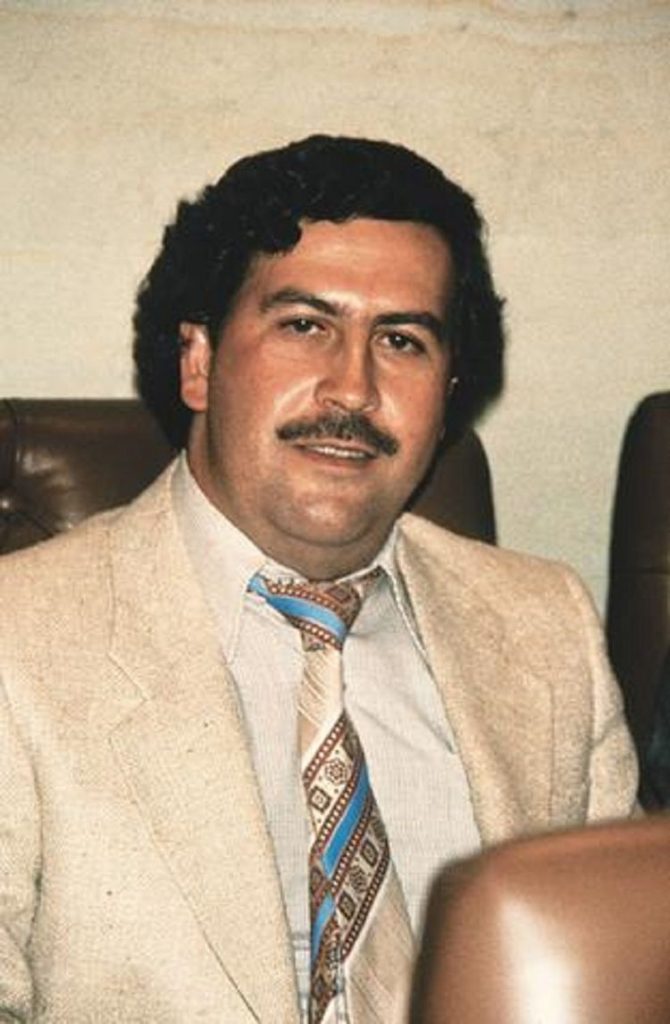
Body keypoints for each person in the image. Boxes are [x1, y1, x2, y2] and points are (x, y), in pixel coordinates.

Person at [0, 135, 637, 1023]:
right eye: (305, 326)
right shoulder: (19, 643)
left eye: (403, 341)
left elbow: (623, 978)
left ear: (449, 391)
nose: (352, 390)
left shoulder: (547, 625)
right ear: (199, 361)